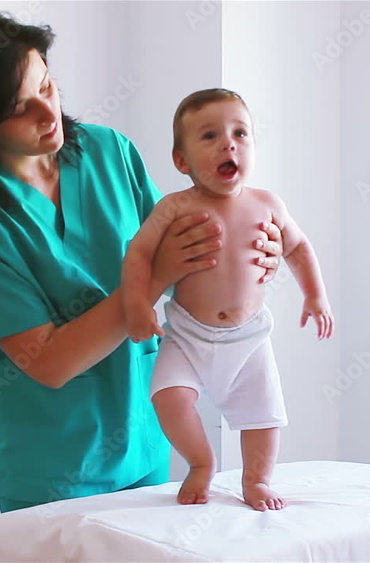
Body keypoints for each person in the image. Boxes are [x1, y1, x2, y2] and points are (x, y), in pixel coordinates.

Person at [0, 13, 286, 513]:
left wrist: (258, 250)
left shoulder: (110, 152)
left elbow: (193, 261)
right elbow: (49, 360)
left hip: (145, 441)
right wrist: (154, 278)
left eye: (47, 85)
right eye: (20, 108)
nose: (48, 113)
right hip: (55, 467)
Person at [123, 89, 334, 511]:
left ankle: (256, 480)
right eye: (209, 136)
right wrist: (137, 305)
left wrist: (315, 296)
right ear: (181, 161)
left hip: (249, 337)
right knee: (168, 397)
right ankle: (201, 462)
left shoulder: (267, 203)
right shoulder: (174, 207)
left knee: (265, 415)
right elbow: (139, 253)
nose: (229, 143)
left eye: (241, 133)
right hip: (187, 334)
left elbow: (299, 247)